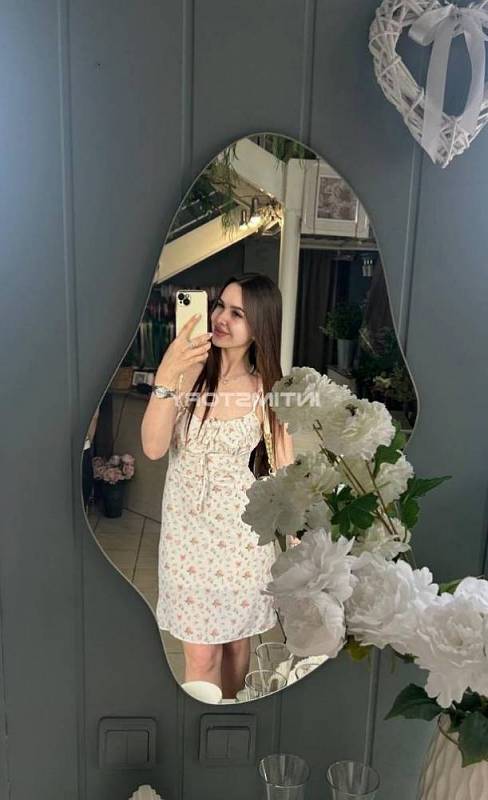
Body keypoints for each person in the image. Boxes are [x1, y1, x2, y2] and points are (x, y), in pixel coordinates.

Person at [141, 273, 294, 699]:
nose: (221, 318)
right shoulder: (185, 377)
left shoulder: (267, 391)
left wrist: (301, 544)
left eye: (237, 313)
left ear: (259, 326)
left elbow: (286, 470)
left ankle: (230, 722)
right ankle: (203, 730)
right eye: (220, 306)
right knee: (202, 654)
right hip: (187, 538)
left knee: (236, 647)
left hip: (242, 541)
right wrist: (169, 370)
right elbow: (152, 447)